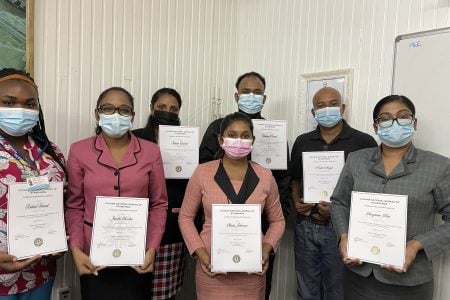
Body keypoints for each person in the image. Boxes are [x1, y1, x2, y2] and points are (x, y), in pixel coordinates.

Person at [331, 95, 450, 300]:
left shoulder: (438, 166)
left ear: (414, 122)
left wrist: (415, 245)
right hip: (358, 276)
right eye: (385, 118)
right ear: (376, 127)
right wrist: (343, 236)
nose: (394, 123)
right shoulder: (356, 160)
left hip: (410, 281)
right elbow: (340, 202)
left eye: (402, 117)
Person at [65, 87, 168, 300]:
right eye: (108, 109)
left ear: (132, 116)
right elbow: (74, 205)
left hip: (138, 252)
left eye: (124, 110)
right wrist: (76, 248)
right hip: (93, 253)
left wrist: (152, 248)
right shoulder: (79, 150)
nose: (116, 115)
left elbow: (159, 204)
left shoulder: (151, 151)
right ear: (97, 113)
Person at [199, 72, 290, 298]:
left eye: (257, 92)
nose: (252, 96)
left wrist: (275, 221)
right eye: (246, 91)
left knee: (259, 285)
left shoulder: (275, 133)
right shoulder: (215, 127)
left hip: (261, 224)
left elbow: (284, 177)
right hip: (219, 222)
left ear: (264, 98)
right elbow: (203, 169)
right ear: (236, 95)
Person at [179, 112, 285, 299]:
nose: (239, 140)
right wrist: (200, 252)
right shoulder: (203, 173)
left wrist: (266, 249)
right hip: (211, 266)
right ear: (221, 139)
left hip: (252, 270)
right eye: (232, 135)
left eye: (245, 136)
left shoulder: (265, 176)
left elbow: (277, 220)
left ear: (253, 140)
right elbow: (186, 217)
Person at [289, 87, 377, 300]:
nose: (327, 109)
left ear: (343, 107)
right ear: (313, 112)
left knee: (336, 290)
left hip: (342, 230)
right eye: (320, 106)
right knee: (305, 289)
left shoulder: (364, 142)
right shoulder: (303, 141)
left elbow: (370, 189)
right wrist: (296, 202)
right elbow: (294, 179)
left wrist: (337, 211)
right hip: (306, 225)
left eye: (333, 104)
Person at [0, 68, 66, 299]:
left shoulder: (51, 151)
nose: (20, 110)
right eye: (8, 103)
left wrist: (58, 239)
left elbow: (63, 202)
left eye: (29, 104)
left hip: (40, 273)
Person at [132, 87, 187, 300]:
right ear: (151, 109)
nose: (168, 112)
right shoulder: (134, 139)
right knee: (134, 291)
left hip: (171, 229)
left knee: (165, 295)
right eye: (162, 107)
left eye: (174, 109)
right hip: (136, 229)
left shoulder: (186, 143)